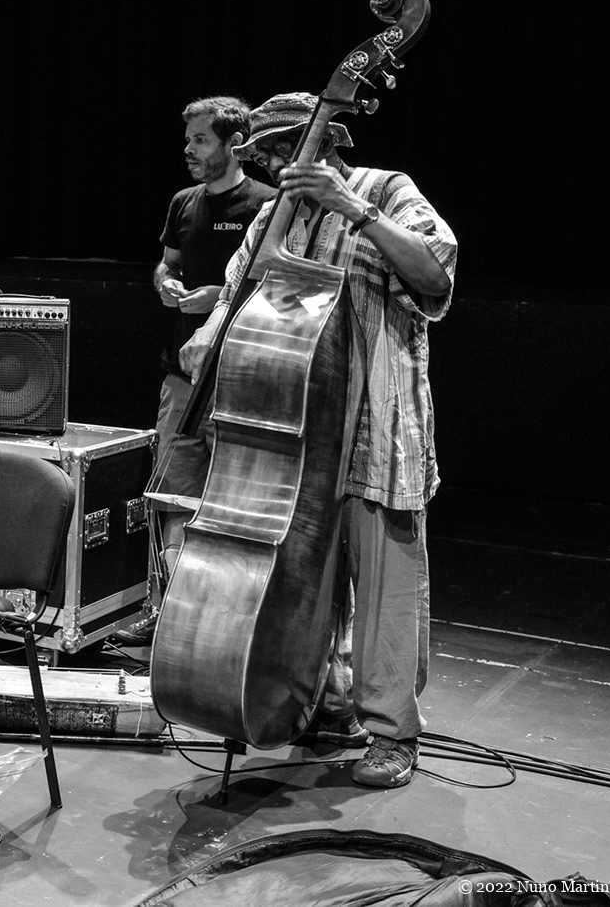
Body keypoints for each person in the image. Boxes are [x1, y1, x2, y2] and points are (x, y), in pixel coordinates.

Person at [179, 92, 457, 788]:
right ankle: (322, 703)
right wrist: (209, 334)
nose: (270, 163)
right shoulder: (274, 215)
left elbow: (435, 275)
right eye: (263, 154)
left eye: (278, 149)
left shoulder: (386, 190)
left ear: (323, 142)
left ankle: (393, 734)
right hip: (296, 437)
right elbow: (240, 289)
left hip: (376, 421)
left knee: (388, 584)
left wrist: (352, 210)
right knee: (301, 581)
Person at [119, 97, 276, 647]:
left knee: (235, 505)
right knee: (172, 496)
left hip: (239, 380)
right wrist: (164, 282)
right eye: (187, 140)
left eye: (200, 140)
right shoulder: (183, 202)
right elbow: (168, 262)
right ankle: (167, 614)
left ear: (234, 144)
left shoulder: (268, 203)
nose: (188, 149)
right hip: (182, 379)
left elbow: (281, 288)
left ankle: (230, 622)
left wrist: (222, 297)